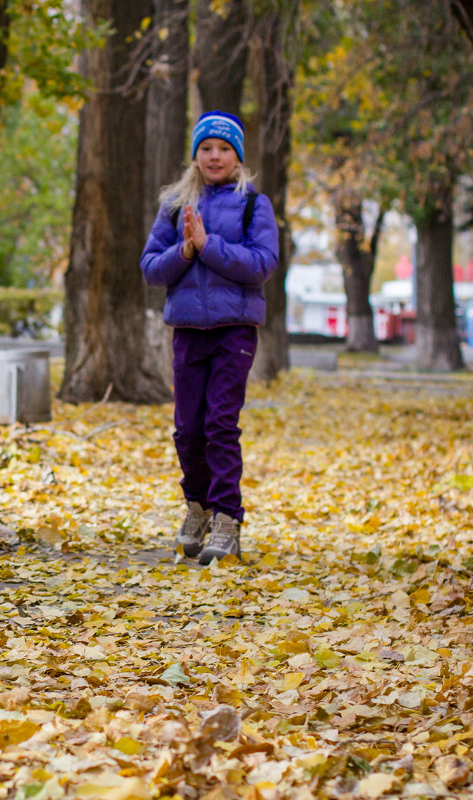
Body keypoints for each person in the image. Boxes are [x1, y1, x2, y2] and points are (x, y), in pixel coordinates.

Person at [139, 110, 279, 565]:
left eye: (224, 149)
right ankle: (196, 508)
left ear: (237, 157)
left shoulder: (254, 205)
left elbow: (262, 263)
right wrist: (184, 249)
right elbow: (151, 268)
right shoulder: (175, 206)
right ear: (195, 156)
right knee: (187, 430)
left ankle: (227, 518)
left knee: (220, 425)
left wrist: (209, 246)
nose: (215, 156)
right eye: (206, 148)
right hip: (187, 332)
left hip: (234, 331)